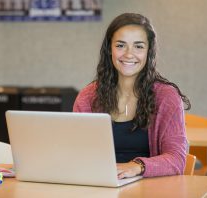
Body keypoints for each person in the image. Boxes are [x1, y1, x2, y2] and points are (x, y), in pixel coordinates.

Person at [73, 13, 191, 178]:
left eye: (139, 46)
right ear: (109, 49)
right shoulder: (88, 96)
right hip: (100, 186)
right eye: (120, 45)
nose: (129, 54)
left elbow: (177, 159)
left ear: (149, 51)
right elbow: (77, 153)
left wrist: (136, 167)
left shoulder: (166, 97)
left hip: (151, 189)